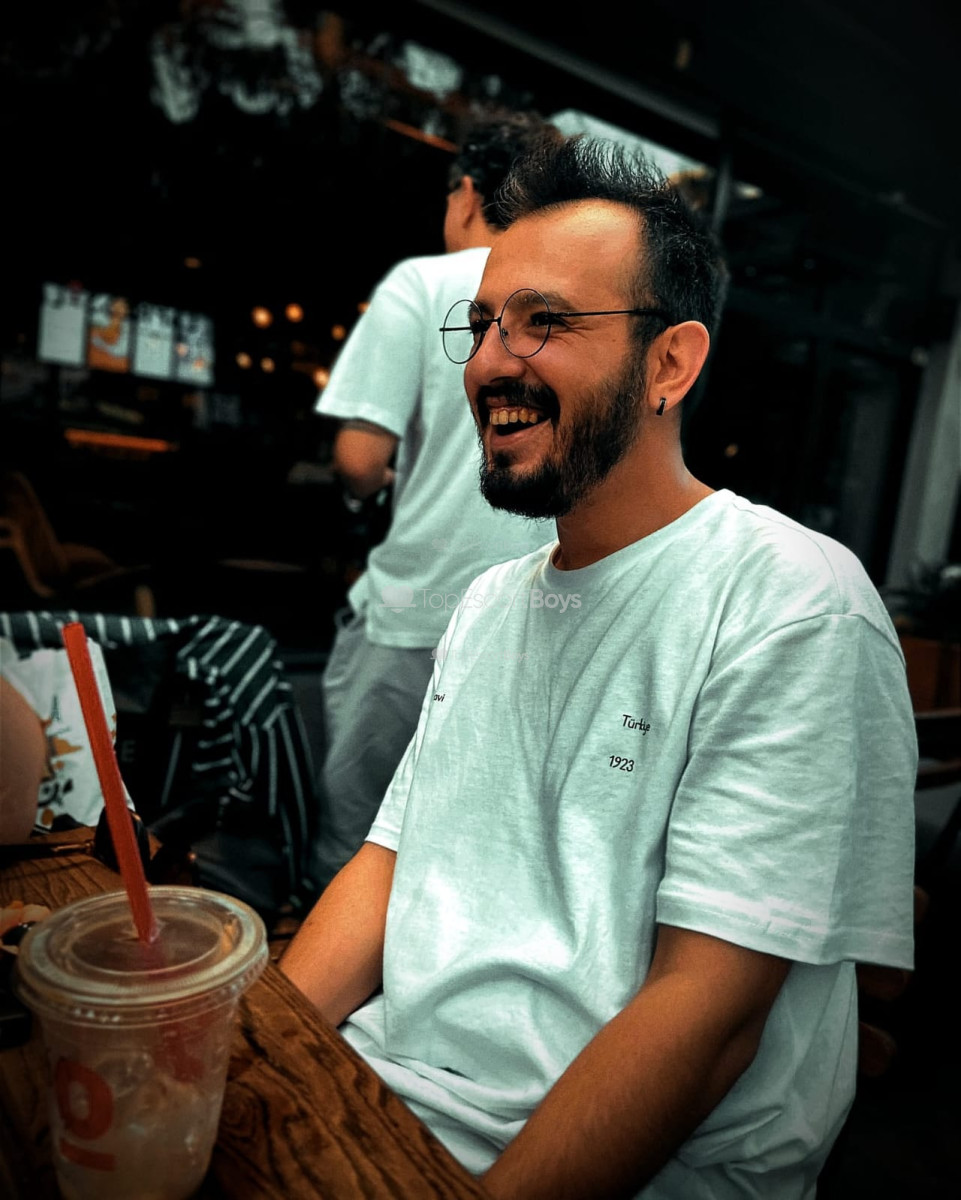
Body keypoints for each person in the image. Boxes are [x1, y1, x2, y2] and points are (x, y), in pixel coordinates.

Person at [281, 136, 917, 1199]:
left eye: (545, 322)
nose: (491, 362)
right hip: (384, 1088)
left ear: (669, 364)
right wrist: (247, 1061)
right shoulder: (489, 601)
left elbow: (708, 1016)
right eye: (484, 324)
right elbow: (388, 864)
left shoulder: (790, 601)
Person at [312, 110, 562, 888]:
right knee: (470, 847)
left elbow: (359, 459)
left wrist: (380, 486)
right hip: (536, 620)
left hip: (417, 605)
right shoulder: (571, 302)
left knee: (357, 843)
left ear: (466, 194)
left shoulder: (422, 284)